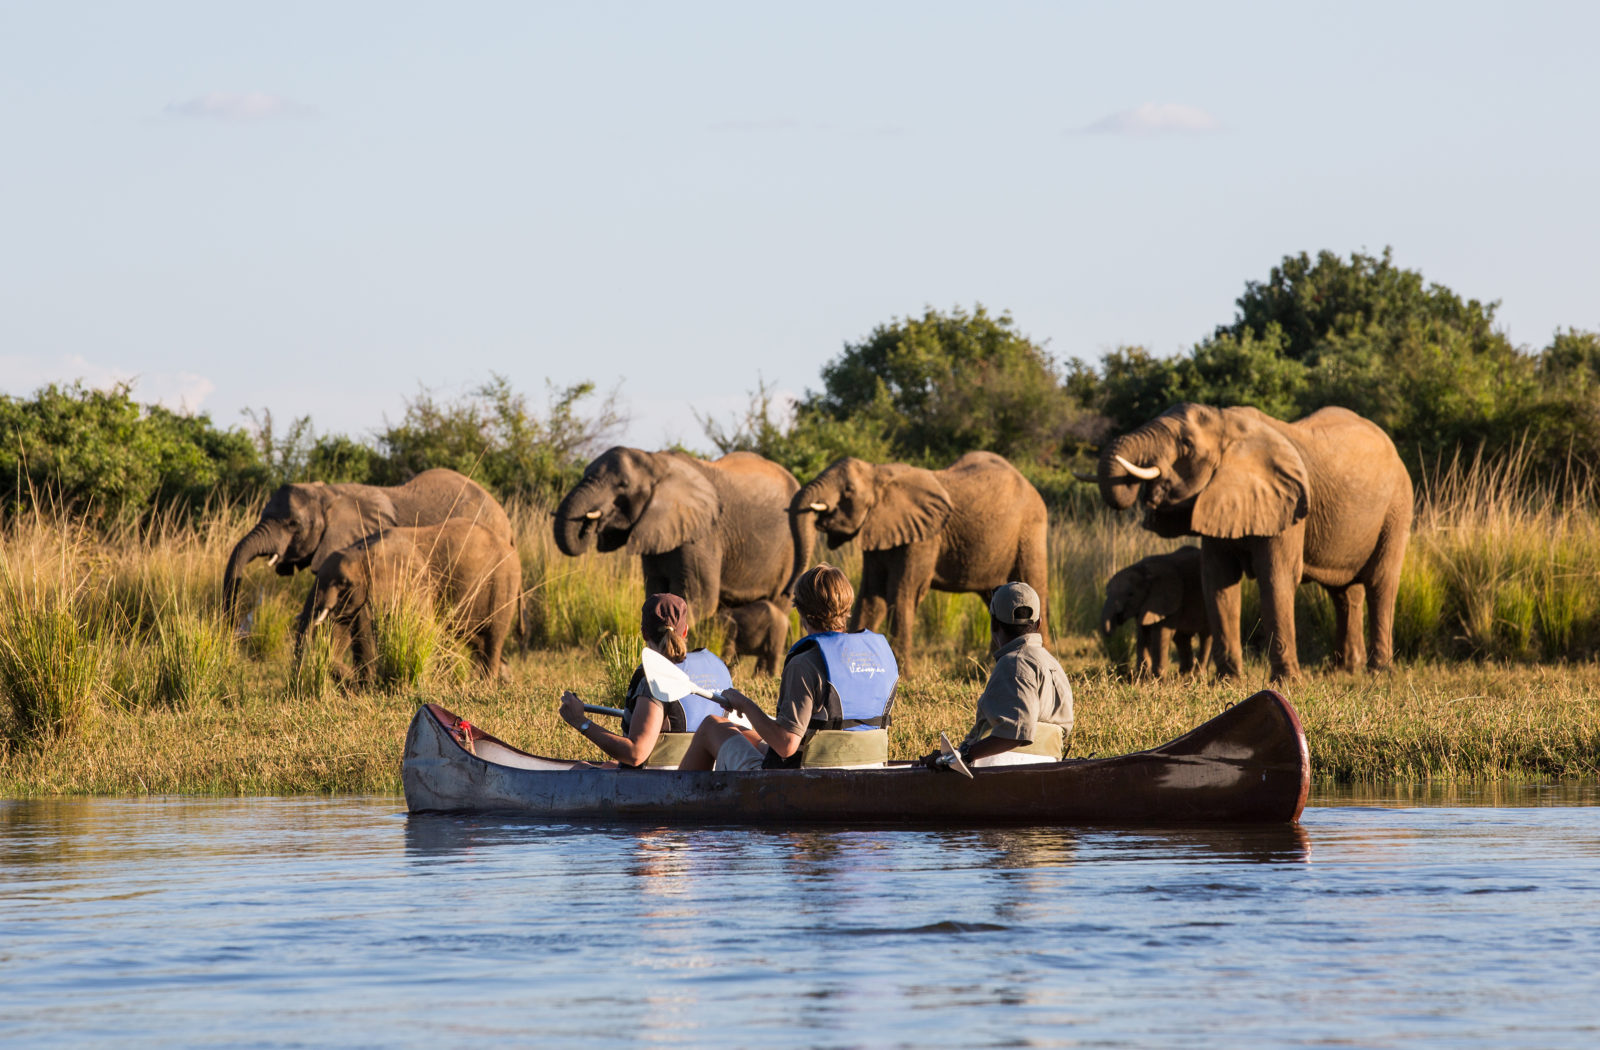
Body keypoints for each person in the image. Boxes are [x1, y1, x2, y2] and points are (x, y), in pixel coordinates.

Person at [678, 564, 897, 771]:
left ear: (802, 612)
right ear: (847, 607)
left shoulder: (806, 663)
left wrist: (744, 704)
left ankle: (679, 803)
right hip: (869, 767)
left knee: (712, 726)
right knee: (743, 733)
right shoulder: (880, 656)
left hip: (802, 781)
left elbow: (786, 745)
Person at [557, 593, 732, 767]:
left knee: (580, 768)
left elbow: (635, 754)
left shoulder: (655, 678)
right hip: (707, 778)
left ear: (644, 633)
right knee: (609, 766)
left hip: (662, 784)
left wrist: (581, 722)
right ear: (685, 631)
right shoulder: (718, 667)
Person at [921, 581, 1074, 770]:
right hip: (1048, 769)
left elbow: (1016, 732)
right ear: (1039, 623)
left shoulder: (1013, 663)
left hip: (998, 774)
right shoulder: (1055, 665)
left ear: (994, 624)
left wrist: (962, 756)